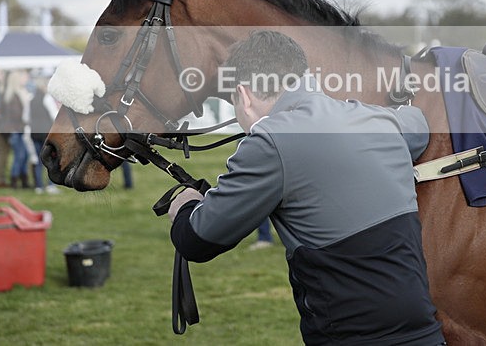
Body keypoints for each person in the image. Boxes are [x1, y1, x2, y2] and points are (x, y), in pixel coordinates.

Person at [168, 31, 444, 345]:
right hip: (425, 334)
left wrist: (185, 207)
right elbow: (418, 125)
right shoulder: (381, 121)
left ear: (243, 95)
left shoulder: (269, 141)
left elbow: (198, 240)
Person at [28, 76, 60, 195]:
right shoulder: (46, 98)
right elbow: (54, 115)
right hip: (45, 133)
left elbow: (26, 117)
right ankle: (51, 185)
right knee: (50, 159)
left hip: (34, 132)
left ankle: (39, 186)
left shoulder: (30, 98)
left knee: (37, 159)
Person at [0, 69, 31, 189]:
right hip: (16, 130)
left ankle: (22, 180)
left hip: (17, 129)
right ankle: (16, 180)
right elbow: (16, 115)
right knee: (20, 155)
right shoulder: (14, 97)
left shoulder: (12, 95)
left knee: (23, 155)